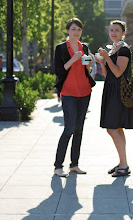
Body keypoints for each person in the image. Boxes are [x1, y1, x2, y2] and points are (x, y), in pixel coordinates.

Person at [53, 18, 96, 177]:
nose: (76, 32)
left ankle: (74, 164)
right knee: (69, 128)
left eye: (79, 29)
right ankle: (58, 166)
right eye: (73, 29)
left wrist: (89, 64)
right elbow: (59, 70)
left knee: (79, 129)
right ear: (67, 31)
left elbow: (87, 70)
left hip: (84, 92)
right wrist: (73, 59)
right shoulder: (61, 48)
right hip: (69, 93)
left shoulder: (84, 47)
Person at [95, 20, 133, 177]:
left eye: (116, 30)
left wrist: (106, 56)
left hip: (118, 93)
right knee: (116, 128)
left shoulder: (124, 50)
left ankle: (124, 165)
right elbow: (109, 76)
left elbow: (119, 73)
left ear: (123, 33)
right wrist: (102, 62)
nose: (113, 32)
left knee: (112, 128)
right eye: (111, 30)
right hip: (111, 90)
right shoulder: (113, 49)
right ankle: (122, 162)